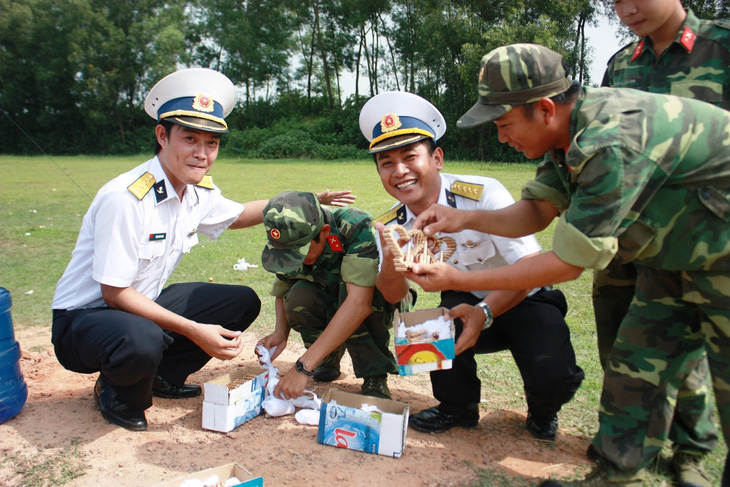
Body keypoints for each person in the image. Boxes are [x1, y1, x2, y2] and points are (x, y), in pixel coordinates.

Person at [405, 44, 730, 486]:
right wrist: (463, 216)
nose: (501, 137)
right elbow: (537, 210)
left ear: (543, 108)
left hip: (720, 255)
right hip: (676, 255)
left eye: (504, 125)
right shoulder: (568, 134)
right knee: (634, 368)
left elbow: (567, 263)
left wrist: (460, 279)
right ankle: (616, 476)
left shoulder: (607, 141)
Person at [51, 68, 354, 432]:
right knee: (141, 338)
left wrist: (304, 201)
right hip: (84, 321)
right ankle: (118, 392)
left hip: (139, 306)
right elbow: (113, 293)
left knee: (240, 301)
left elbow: (241, 214)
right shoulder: (127, 199)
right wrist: (195, 329)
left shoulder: (196, 192)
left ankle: (161, 375)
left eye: (211, 143)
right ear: (162, 136)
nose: (202, 153)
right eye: (190, 139)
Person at [357, 91, 584, 440]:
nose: (399, 171)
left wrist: (485, 312)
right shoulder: (390, 225)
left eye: (409, 156)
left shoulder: (482, 194)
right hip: (461, 303)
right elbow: (391, 294)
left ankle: (542, 410)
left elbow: (528, 267)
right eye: (386, 163)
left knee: (554, 377)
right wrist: (391, 262)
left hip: (524, 298)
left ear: (437, 158)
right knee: (428, 327)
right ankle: (457, 407)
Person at [594, 2, 730, 484]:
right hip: (632, 237)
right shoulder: (622, 63)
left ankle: (690, 451)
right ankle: (625, 458)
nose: (627, 10)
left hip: (715, 241)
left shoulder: (722, 46)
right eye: (616, 0)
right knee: (635, 352)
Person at [255, 190, 397, 401]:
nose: (297, 260)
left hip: (372, 299)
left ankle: (373, 373)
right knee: (297, 298)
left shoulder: (355, 227)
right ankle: (328, 357)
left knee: (355, 296)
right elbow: (284, 286)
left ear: (324, 232)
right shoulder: (289, 235)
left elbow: (359, 303)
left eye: (300, 253)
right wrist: (280, 333)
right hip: (329, 294)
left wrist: (303, 367)